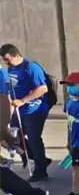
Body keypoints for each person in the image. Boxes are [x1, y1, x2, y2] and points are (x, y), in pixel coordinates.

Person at [1, 44, 51, 181]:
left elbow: (42, 88)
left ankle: (41, 170)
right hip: (19, 110)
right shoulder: (11, 68)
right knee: (14, 136)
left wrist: (23, 100)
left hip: (34, 109)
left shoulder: (31, 67)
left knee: (34, 138)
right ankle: (37, 157)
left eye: (7, 59)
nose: (5, 62)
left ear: (16, 55)